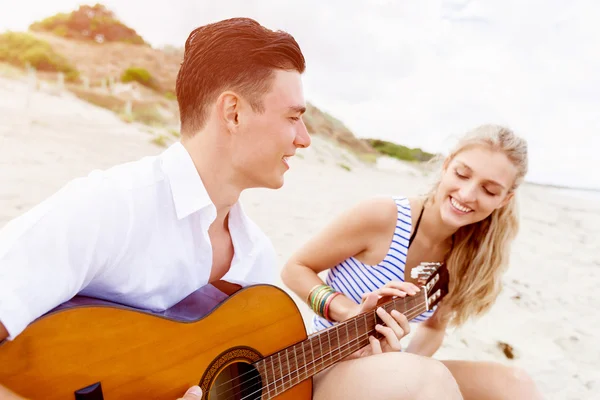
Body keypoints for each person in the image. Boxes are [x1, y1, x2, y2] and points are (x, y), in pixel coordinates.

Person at [0, 17, 462, 400]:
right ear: (234, 112)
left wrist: (356, 337)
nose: (303, 139)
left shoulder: (253, 255)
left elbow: (266, 375)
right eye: (293, 118)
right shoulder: (110, 206)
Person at [282, 124, 545, 400]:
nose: (467, 194)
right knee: (431, 379)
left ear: (505, 200)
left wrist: (402, 362)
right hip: (320, 367)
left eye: (489, 191)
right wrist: (348, 313)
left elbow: (433, 328)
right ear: (446, 166)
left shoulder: (466, 255)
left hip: (381, 371)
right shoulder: (384, 216)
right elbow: (295, 269)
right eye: (462, 174)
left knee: (515, 384)